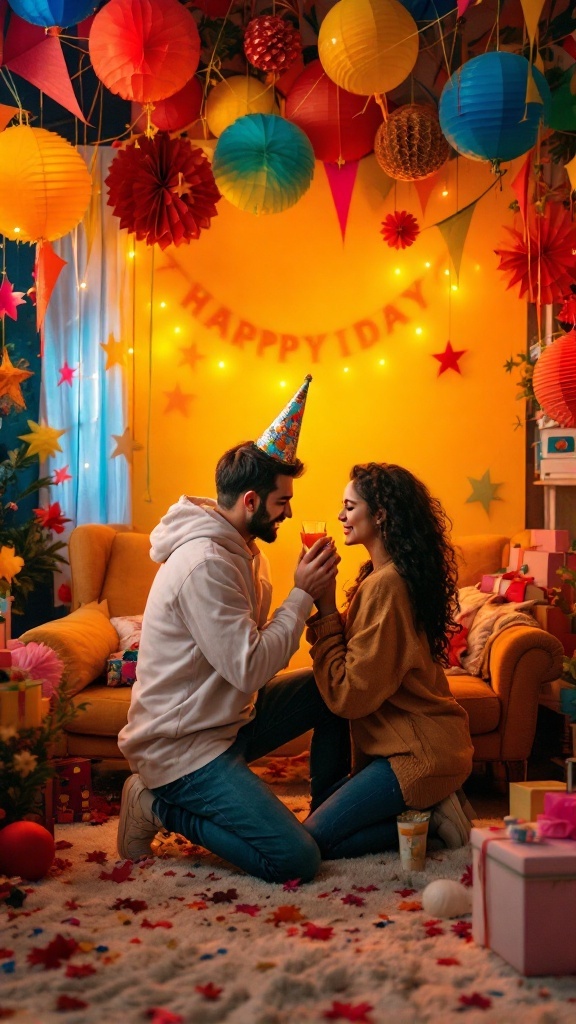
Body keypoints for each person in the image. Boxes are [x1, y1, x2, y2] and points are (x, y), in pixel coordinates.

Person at [117, 376, 350, 883]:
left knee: (332, 689)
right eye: (281, 501)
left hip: (229, 723)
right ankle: (155, 806)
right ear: (250, 500)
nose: (288, 511)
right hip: (183, 747)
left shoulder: (244, 551)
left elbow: (254, 656)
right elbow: (248, 668)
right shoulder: (206, 563)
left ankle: (330, 815)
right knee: (296, 861)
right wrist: (302, 594)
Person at [302, 462, 475, 861]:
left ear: (379, 515)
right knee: (321, 818)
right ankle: (423, 810)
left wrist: (325, 606)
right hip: (415, 747)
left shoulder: (387, 585)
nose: (341, 517)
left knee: (310, 842)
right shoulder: (385, 576)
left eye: (349, 507)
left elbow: (350, 696)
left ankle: (429, 821)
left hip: (418, 756)